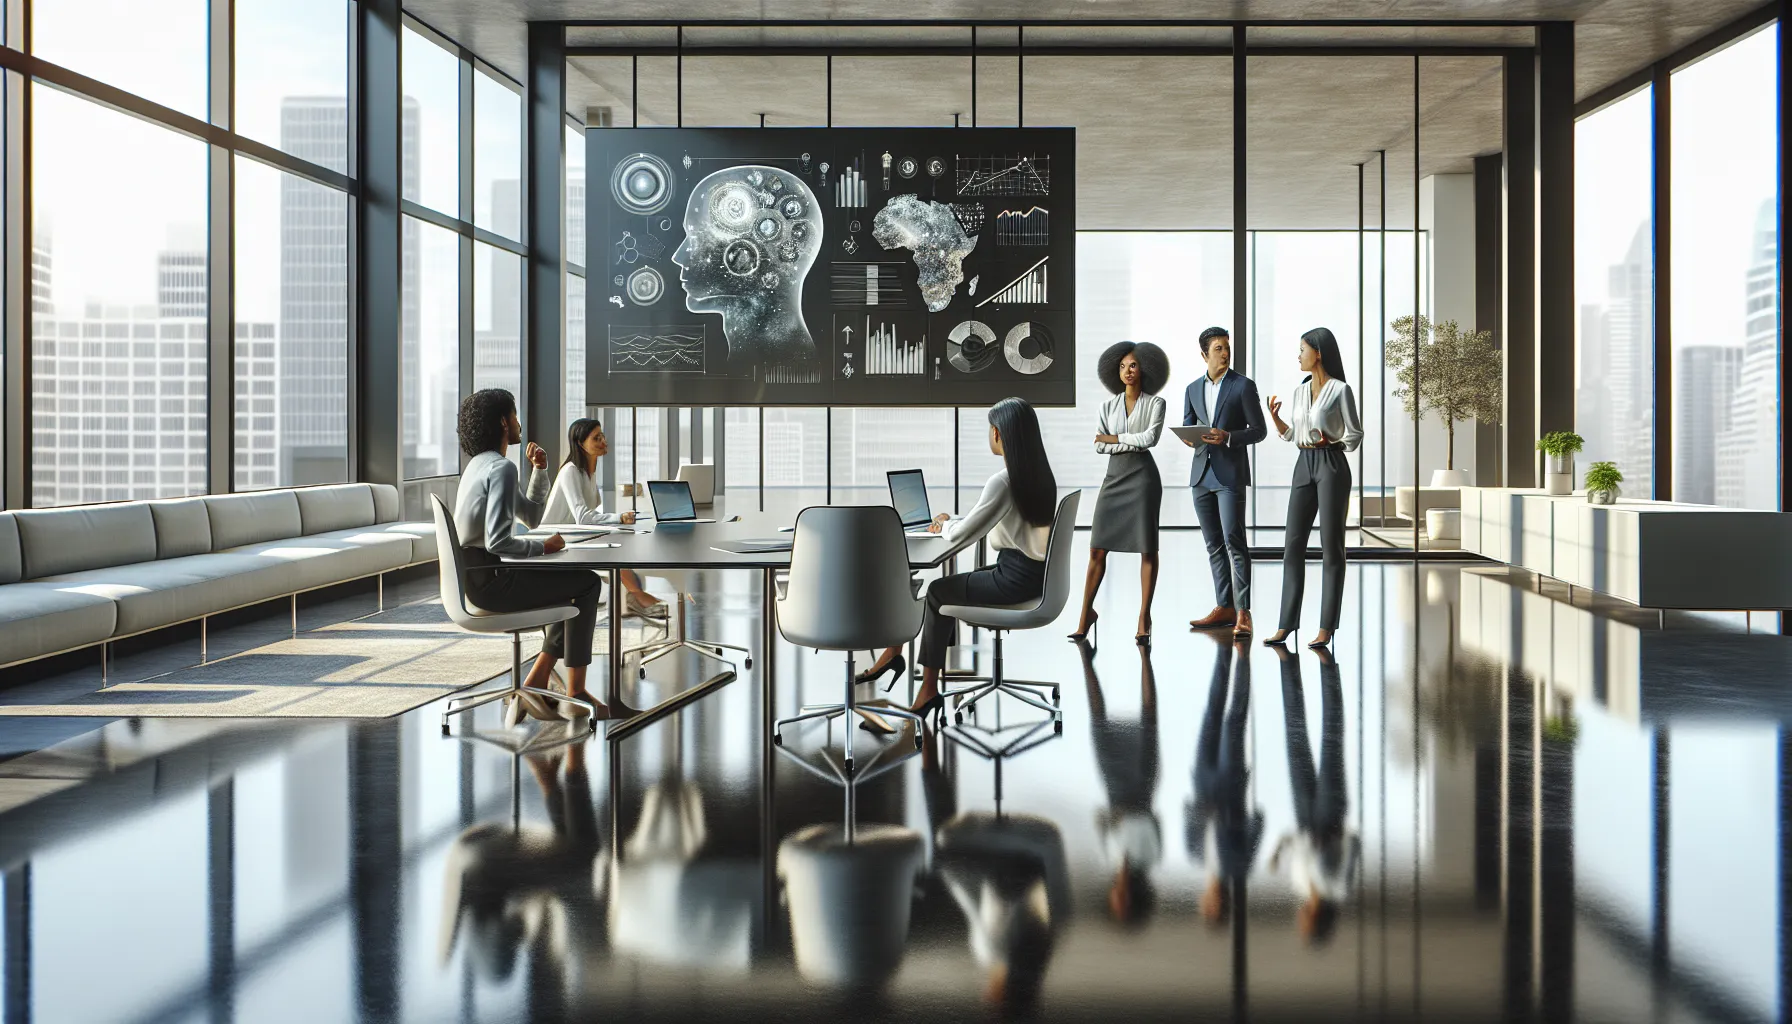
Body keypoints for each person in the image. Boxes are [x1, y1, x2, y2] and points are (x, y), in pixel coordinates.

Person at [857, 399, 1059, 721]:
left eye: (991, 429)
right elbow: (990, 519)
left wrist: (944, 525)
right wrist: (953, 520)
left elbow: (965, 536)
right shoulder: (1038, 476)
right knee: (950, 587)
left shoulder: (1004, 481)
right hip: (1033, 576)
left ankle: (927, 691)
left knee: (937, 592)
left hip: (1013, 580)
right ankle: (897, 655)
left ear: (1000, 433)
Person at [453, 388, 607, 722]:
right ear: (502, 423)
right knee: (587, 585)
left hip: (475, 579)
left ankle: (537, 681)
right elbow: (498, 542)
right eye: (515, 415)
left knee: (574, 585)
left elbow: (532, 517)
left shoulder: (481, 466)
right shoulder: (501, 469)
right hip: (492, 581)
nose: (519, 423)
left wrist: (540, 470)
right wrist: (543, 547)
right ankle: (574, 693)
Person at [1264, 327, 1362, 649]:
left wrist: (1332, 440)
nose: (1299, 355)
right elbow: (1295, 434)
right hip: (1303, 465)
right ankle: (1286, 624)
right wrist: (1277, 420)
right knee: (1293, 544)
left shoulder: (1340, 390)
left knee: (1331, 547)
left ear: (1318, 353)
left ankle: (1326, 628)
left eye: (1302, 349)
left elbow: (1355, 434)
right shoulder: (1299, 392)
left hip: (1332, 465)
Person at [1072, 341, 1169, 646]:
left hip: (1143, 479)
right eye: (1123, 366)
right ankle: (1085, 614)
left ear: (1145, 369)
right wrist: (1125, 440)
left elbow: (1149, 439)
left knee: (1147, 548)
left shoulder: (1156, 404)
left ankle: (1144, 616)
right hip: (1114, 478)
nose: (1128, 371)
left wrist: (1114, 437)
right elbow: (1099, 446)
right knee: (1096, 549)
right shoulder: (1106, 406)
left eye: (1134, 365)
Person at [1267, 646, 1359, 945]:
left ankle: (1287, 665)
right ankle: (1328, 667)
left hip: (1305, 817)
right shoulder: (1338, 889)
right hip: (1330, 816)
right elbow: (1354, 845)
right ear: (1316, 922)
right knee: (1331, 738)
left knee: (1295, 736)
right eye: (1305, 925)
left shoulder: (1300, 887)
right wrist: (1337, 838)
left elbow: (1297, 844)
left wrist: (1277, 852)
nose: (1300, 919)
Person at [1181, 326, 1268, 640]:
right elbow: (1189, 423)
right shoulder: (1191, 388)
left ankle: (1243, 612)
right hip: (1201, 476)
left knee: (1235, 543)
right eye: (1218, 348)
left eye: (1226, 347)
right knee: (1213, 545)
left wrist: (1229, 437)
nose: (1225, 353)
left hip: (1230, 475)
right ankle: (1224, 607)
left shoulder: (1243, 386)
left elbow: (1259, 430)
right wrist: (1190, 438)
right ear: (1204, 354)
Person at [544, 417, 668, 620]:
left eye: (602, 436)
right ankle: (635, 596)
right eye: (596, 438)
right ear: (580, 443)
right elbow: (583, 517)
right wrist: (618, 517)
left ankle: (632, 595)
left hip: (575, 537)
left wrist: (618, 520)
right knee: (614, 546)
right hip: (557, 543)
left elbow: (588, 518)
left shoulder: (589, 473)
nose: (603, 441)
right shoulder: (570, 472)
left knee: (619, 540)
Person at [1185, 635, 1264, 930]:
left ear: (1203, 903)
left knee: (1212, 710)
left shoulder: (1195, 856)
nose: (1215, 902)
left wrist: (1201, 812)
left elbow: (1187, 815)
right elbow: (1258, 821)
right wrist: (1228, 819)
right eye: (1220, 907)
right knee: (1234, 720)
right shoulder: (1240, 865)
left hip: (1204, 781)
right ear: (1227, 902)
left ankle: (1223, 651)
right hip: (1230, 783)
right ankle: (1242, 658)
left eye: (1210, 907)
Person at [1083, 642, 1161, 929]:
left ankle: (1086, 661)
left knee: (1098, 725)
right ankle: (1144, 655)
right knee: (1149, 719)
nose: (1120, 896)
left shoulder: (1110, 860)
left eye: (1116, 901)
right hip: (1140, 788)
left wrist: (1109, 819)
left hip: (1114, 790)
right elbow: (1150, 820)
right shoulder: (1150, 859)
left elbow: (1100, 819)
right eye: (1125, 902)